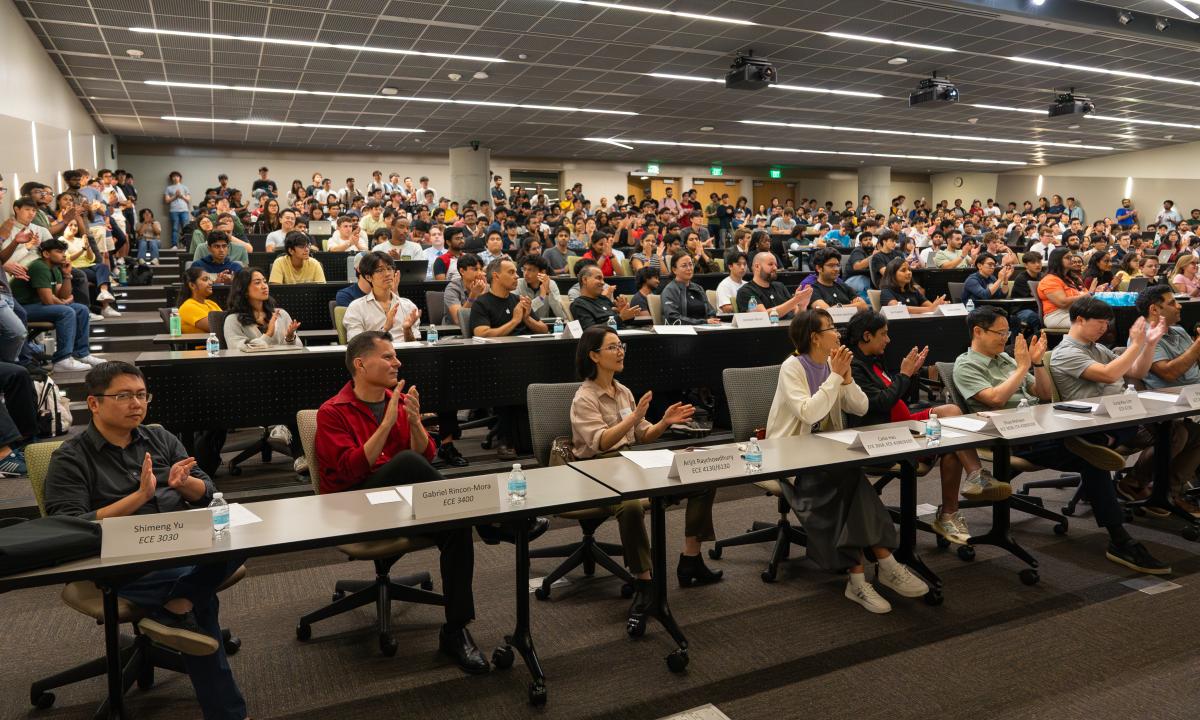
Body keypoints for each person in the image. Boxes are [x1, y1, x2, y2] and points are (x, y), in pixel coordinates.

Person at [44, 362, 249, 720]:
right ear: (93, 403)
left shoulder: (159, 437)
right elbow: (69, 526)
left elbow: (209, 491)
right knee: (204, 604)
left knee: (244, 538)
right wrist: (139, 497)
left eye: (141, 395)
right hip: (119, 558)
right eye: (124, 396)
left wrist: (185, 484)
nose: (136, 404)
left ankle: (174, 606)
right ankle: (227, 712)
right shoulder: (71, 457)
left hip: (179, 542)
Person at [314, 332, 486, 673]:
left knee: (457, 524)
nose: (398, 363)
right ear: (361, 365)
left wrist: (414, 423)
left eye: (396, 357)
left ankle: (455, 630)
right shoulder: (332, 412)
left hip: (399, 500)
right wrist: (389, 422)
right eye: (389, 357)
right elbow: (351, 470)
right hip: (355, 506)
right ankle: (493, 520)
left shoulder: (397, 399)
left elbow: (428, 456)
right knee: (406, 463)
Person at [953, 306, 1169, 574]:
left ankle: (1094, 446)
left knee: (1111, 434)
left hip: (1040, 425)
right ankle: (1120, 539)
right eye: (1000, 333)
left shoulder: (1006, 360)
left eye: (1007, 332)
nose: (1005, 339)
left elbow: (1043, 393)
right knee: (1092, 459)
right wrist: (1022, 367)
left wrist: (1038, 363)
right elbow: (995, 399)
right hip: (1009, 436)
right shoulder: (966, 364)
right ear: (977, 331)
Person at [766, 309, 929, 613]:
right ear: (815, 337)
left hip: (826, 454)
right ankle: (884, 564)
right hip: (788, 455)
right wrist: (835, 379)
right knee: (849, 479)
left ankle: (861, 578)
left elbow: (862, 406)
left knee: (849, 478)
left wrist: (847, 379)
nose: (838, 334)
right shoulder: (793, 367)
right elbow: (809, 413)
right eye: (831, 329)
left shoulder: (834, 365)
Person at [570, 326, 721, 619]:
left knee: (700, 475)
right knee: (630, 504)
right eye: (612, 347)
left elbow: (643, 435)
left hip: (630, 462)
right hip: (596, 469)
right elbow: (601, 442)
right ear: (594, 356)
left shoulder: (622, 391)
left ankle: (691, 559)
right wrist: (635, 419)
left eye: (621, 345)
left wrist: (663, 422)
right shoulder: (584, 398)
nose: (620, 351)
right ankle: (643, 580)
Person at [847, 311, 1006, 543]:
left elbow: (898, 396)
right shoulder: (855, 367)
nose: (888, 340)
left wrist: (910, 375)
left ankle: (974, 475)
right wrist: (904, 374)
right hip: (886, 436)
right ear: (867, 336)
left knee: (951, 412)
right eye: (884, 334)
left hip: (905, 422)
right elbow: (880, 403)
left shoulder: (873, 360)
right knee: (952, 442)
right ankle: (950, 512)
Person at [1133, 285, 1200, 514]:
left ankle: (1168, 490)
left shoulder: (1179, 331)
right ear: (1154, 309)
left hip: (1194, 398)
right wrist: (1198, 346)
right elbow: (1169, 373)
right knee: (1179, 434)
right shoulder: (1147, 337)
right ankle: (1143, 484)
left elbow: (1196, 364)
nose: (1179, 305)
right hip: (1166, 405)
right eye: (1172, 303)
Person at [11, 239, 105, 373]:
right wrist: (64, 303)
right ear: (46, 254)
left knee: (82, 310)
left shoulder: (55, 268)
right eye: (59, 251)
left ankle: (81, 354)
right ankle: (62, 359)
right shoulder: (39, 267)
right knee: (66, 312)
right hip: (21, 307)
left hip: (37, 305)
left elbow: (63, 295)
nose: (64, 255)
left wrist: (67, 275)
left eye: (64, 252)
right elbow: (49, 300)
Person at [344, 252, 421, 342]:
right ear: (368, 277)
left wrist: (407, 330)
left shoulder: (408, 305)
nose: (387, 273)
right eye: (380, 270)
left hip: (404, 354)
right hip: (373, 355)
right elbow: (356, 344)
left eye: (389, 268)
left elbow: (414, 346)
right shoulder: (356, 307)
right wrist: (384, 329)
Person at [223, 270, 302, 351]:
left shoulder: (281, 314)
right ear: (244, 290)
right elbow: (236, 349)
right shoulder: (233, 320)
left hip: (284, 362)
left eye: (265, 281)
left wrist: (290, 338)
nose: (264, 286)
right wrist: (268, 334)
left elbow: (299, 347)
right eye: (257, 283)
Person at [735, 251, 812, 319]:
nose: (775, 268)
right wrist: (796, 300)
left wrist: (802, 305)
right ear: (757, 266)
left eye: (776, 265)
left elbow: (797, 315)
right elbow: (762, 316)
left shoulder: (780, 286)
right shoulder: (746, 291)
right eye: (770, 264)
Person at [571, 264, 639, 330]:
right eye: (598, 278)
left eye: (603, 279)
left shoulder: (603, 299)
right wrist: (621, 317)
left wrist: (624, 312)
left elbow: (622, 322)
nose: (603, 282)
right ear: (585, 280)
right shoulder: (578, 305)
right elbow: (590, 331)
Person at [660, 251, 719, 325]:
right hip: (684, 332)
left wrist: (711, 319)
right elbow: (673, 318)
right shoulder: (670, 290)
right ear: (674, 270)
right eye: (684, 266)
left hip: (705, 328)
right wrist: (703, 322)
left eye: (691, 264)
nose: (689, 268)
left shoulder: (698, 288)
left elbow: (711, 311)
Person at [1038, 247, 1088, 329]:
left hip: (1074, 312)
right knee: (1094, 323)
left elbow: (1086, 294)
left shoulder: (1071, 278)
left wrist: (1095, 291)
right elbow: (1062, 303)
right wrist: (1086, 295)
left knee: (1104, 318)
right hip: (1057, 316)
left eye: (1071, 257)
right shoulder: (1049, 280)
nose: (1072, 260)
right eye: (1068, 258)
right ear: (1057, 260)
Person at [878, 257, 945, 314]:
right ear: (892, 274)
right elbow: (897, 309)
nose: (909, 273)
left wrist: (938, 305)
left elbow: (931, 307)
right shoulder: (886, 291)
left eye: (909, 270)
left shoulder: (913, 290)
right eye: (903, 270)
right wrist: (930, 309)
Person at [515, 255, 567, 321]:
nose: (526, 273)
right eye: (524, 269)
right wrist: (541, 298)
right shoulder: (518, 284)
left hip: (545, 325)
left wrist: (548, 292)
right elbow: (520, 312)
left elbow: (560, 314)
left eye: (530, 270)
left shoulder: (551, 284)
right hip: (523, 325)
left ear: (542, 272)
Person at [443, 253, 485, 325]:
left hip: (479, 328)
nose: (480, 273)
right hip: (454, 332)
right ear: (462, 271)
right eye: (475, 269)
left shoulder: (485, 286)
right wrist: (473, 295)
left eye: (480, 269)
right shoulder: (452, 288)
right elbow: (459, 320)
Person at [176, 267, 221, 334]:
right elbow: (216, 327)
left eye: (210, 279)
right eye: (205, 279)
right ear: (192, 285)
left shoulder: (211, 303)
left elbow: (226, 322)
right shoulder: (188, 307)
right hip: (201, 344)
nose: (211, 282)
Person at [164, 171, 191, 248]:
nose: (175, 178)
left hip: (184, 210)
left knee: (186, 228)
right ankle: (174, 245)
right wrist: (175, 196)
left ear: (180, 178)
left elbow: (188, 200)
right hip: (173, 211)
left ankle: (186, 245)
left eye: (177, 176)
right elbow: (167, 200)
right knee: (175, 228)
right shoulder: (168, 188)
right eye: (173, 176)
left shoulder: (185, 187)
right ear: (171, 178)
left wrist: (181, 195)